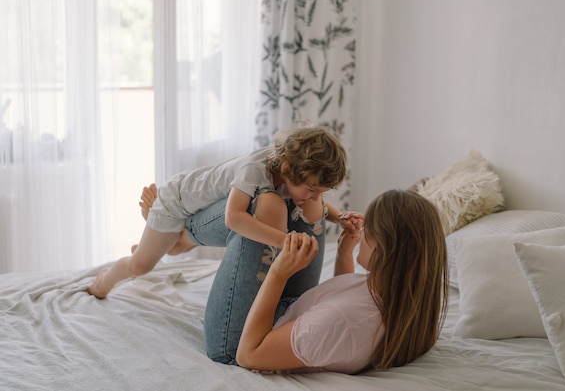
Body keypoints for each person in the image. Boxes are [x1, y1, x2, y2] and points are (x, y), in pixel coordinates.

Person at [87, 125, 363, 362]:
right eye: (312, 189)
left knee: (172, 248)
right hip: (178, 203)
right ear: (289, 169)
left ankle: (174, 241)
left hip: (208, 208)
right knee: (142, 265)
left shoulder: (291, 170)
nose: (314, 196)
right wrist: (285, 240)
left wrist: (339, 218)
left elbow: (319, 203)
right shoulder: (255, 170)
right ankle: (105, 280)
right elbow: (234, 219)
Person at [235, 189, 449, 374]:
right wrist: (344, 254)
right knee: (310, 203)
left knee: (260, 203)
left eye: (369, 229)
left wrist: (278, 274)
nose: (363, 232)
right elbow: (344, 304)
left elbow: (248, 355)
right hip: (288, 319)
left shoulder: (340, 321)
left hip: (248, 338)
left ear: (385, 249)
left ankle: (198, 232)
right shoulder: (398, 297)